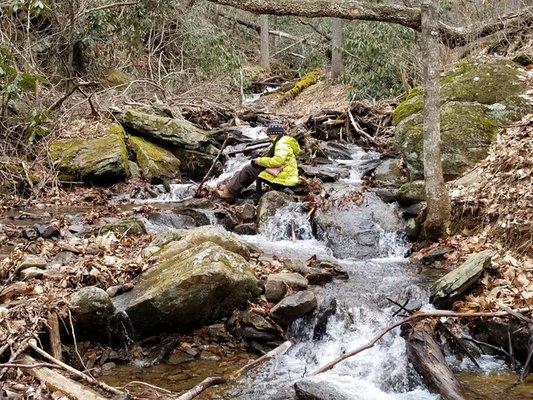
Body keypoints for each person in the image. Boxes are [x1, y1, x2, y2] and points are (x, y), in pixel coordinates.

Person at [216, 121, 301, 200]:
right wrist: (259, 158)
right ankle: (232, 189)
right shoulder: (283, 142)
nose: (268, 137)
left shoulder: (281, 144)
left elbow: (278, 160)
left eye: (269, 135)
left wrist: (259, 160)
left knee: (248, 168)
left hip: (284, 179)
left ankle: (229, 192)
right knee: (250, 169)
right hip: (284, 176)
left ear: (273, 133)